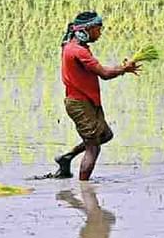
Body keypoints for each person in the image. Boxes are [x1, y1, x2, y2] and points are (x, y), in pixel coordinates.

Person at [53, 12, 140, 180]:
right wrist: (124, 69)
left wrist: (122, 68)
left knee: (105, 136)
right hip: (79, 104)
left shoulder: (72, 45)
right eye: (98, 29)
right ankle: (85, 188)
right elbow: (104, 74)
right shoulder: (78, 51)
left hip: (88, 101)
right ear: (87, 29)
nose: (100, 33)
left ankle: (66, 157)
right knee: (93, 148)